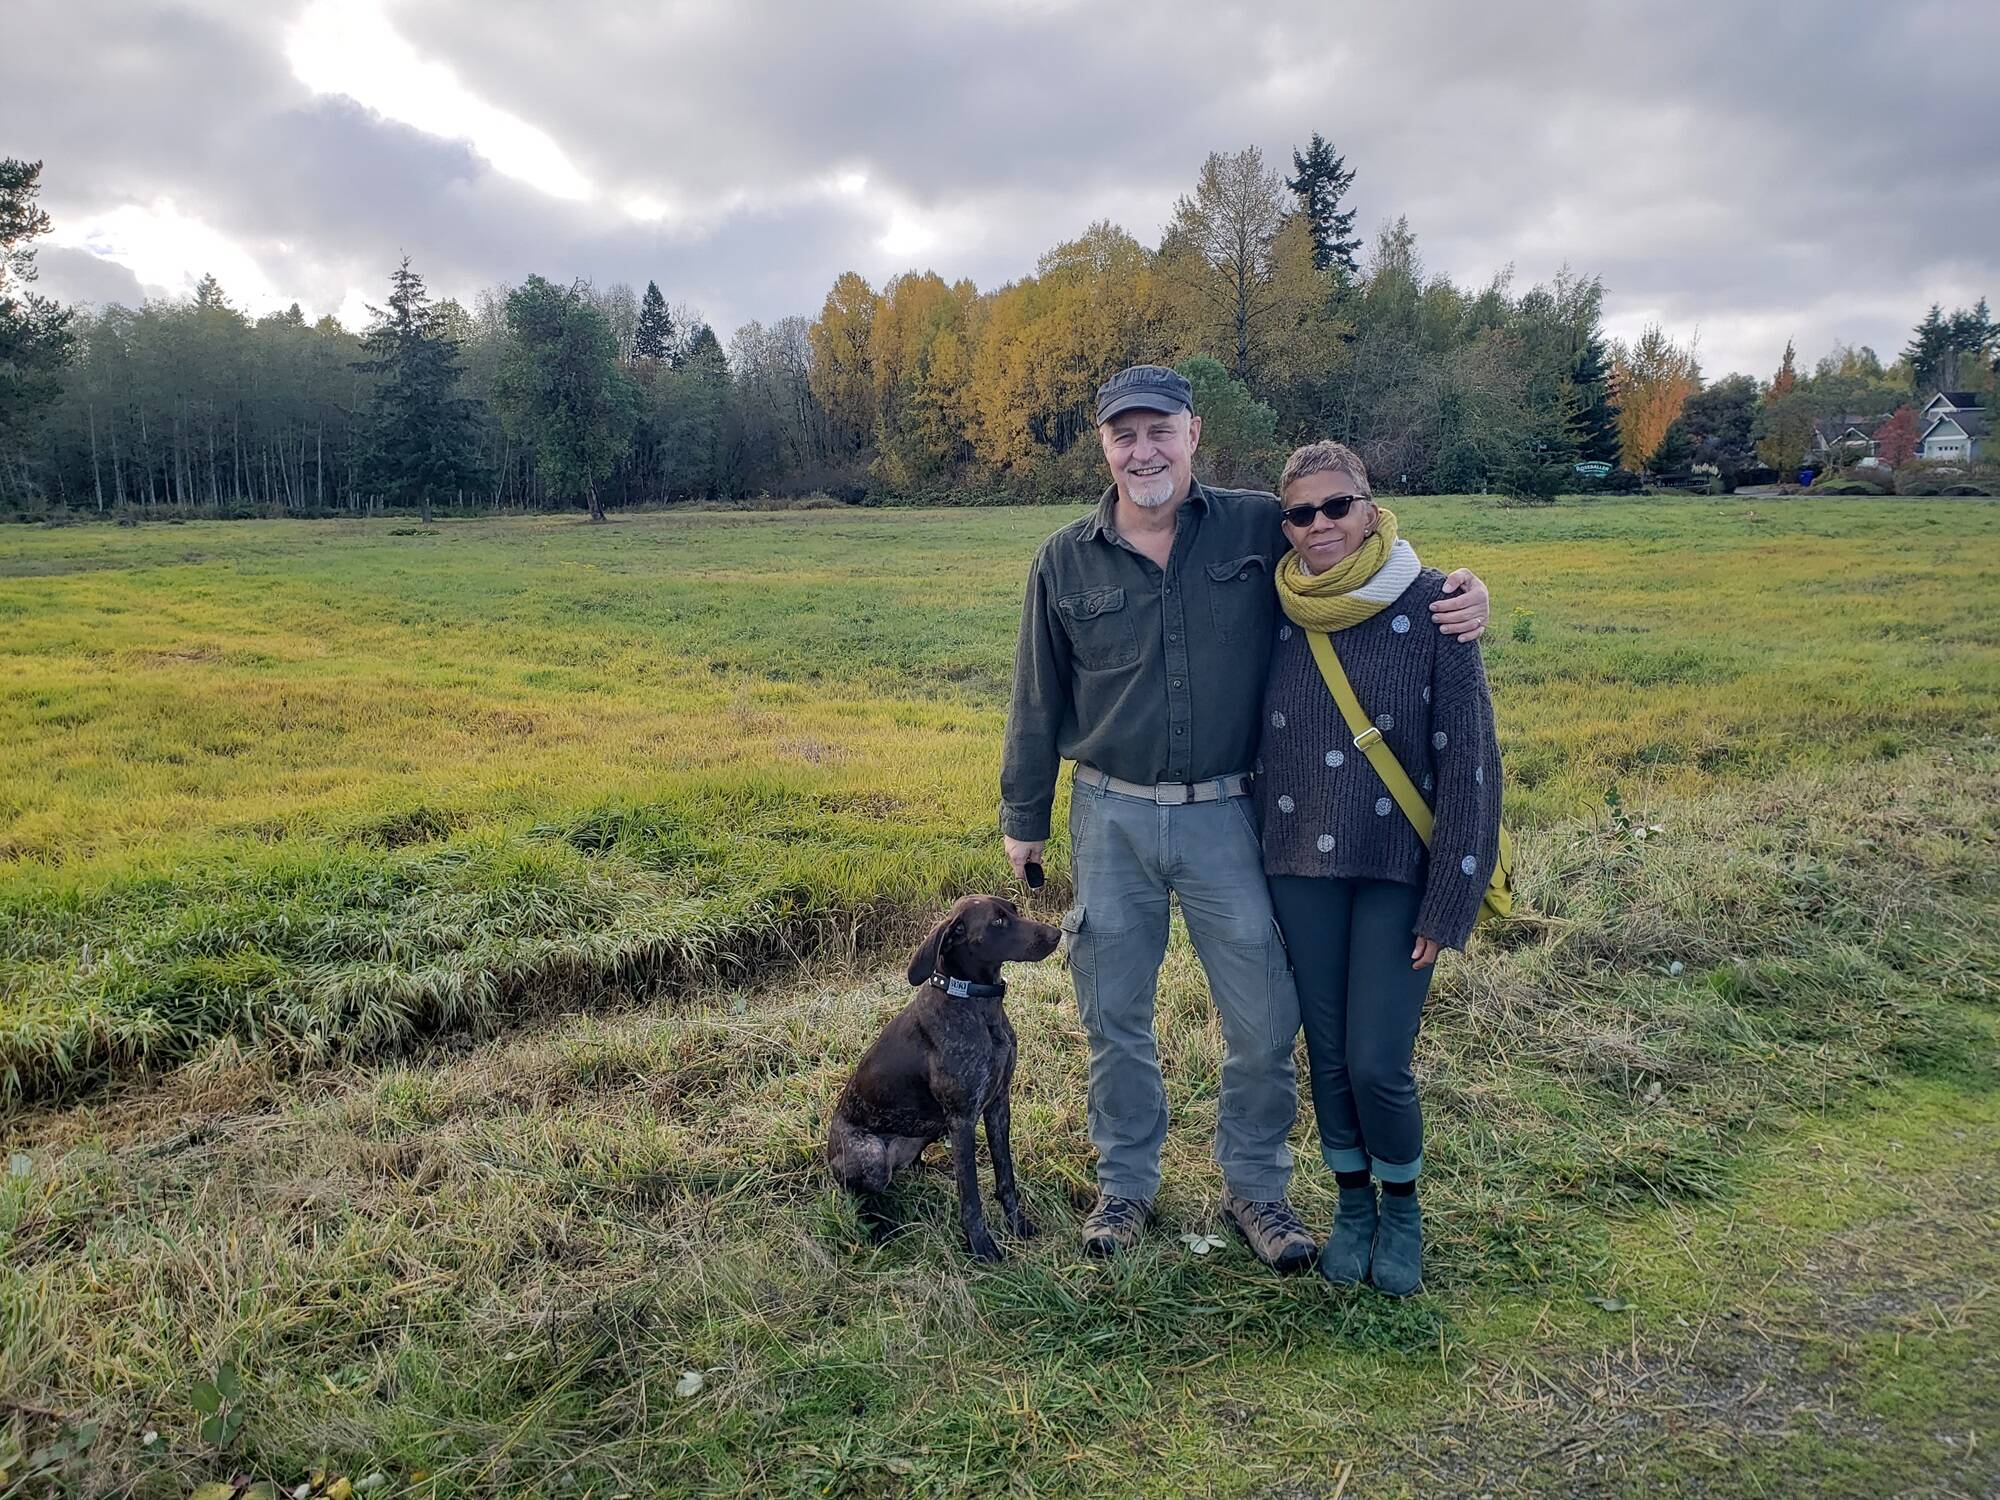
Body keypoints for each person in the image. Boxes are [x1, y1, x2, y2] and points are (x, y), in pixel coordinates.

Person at [999, 366, 1490, 1267]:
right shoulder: (1062, 558)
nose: (1142, 451)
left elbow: (1354, 541)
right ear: (1104, 447)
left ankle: (1258, 1188)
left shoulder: (1261, 522)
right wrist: (1022, 816)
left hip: (1231, 813)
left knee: (1265, 1016)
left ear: (1193, 435)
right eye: (1124, 435)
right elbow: (1037, 694)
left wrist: (1462, 592)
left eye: (1160, 431)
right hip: (1108, 813)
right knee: (1113, 1012)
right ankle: (1125, 1187)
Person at [1253, 440, 1503, 1296]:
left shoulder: (1436, 604)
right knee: (1323, 1052)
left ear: (1369, 505)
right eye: (1300, 513)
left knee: (1376, 1060)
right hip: (1296, 866)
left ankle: (1402, 1208)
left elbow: (1469, 764)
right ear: (1282, 523)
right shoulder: (1272, 604)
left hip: (1399, 871)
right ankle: (1350, 1203)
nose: (1320, 526)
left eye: (1336, 506)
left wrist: (1451, 899)